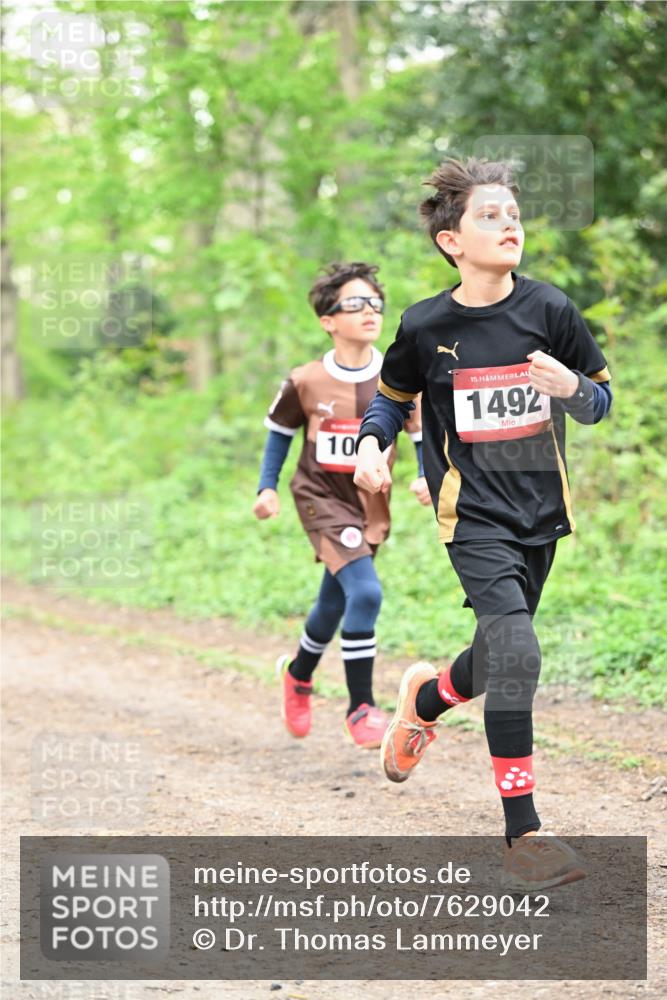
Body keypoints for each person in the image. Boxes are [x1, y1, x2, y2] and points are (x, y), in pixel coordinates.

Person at [354, 158, 612, 888]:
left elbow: (599, 401)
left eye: (513, 214)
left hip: (541, 513)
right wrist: (374, 441)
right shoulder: (425, 325)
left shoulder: (550, 311)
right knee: (518, 654)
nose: (509, 225)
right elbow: (388, 398)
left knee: (500, 652)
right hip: (471, 517)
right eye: (489, 215)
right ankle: (523, 835)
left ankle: (428, 698)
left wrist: (570, 390)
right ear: (450, 241)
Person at [253, 262, 429, 749]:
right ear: (328, 320)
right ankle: (361, 708)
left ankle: (299, 674)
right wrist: (266, 487)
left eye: (375, 302)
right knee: (366, 594)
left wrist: (426, 476)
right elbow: (280, 435)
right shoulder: (306, 380)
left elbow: (421, 433)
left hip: (370, 502)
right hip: (320, 499)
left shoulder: (398, 378)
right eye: (355, 304)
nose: (369, 311)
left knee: (335, 600)